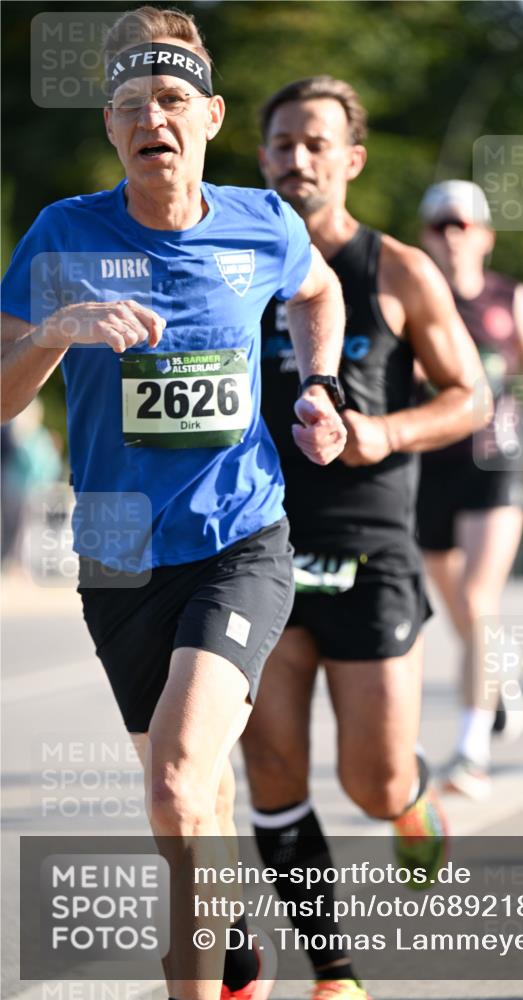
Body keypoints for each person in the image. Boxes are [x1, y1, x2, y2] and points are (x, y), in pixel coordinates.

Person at [0, 9, 347, 1000]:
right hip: (117, 556)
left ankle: (193, 978)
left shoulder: (262, 222)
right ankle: (231, 944)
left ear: (210, 116)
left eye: (170, 99)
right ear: (110, 127)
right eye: (130, 104)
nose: (151, 117)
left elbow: (317, 292)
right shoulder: (63, 234)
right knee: (186, 800)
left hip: (240, 539)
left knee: (175, 781)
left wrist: (321, 385)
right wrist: (59, 329)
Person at [240, 78, 490, 1000]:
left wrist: (384, 432)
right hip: (254, 544)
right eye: (281, 144)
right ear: (261, 157)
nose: (296, 159)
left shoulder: (397, 270)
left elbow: (470, 396)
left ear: (350, 159)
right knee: (271, 769)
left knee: (371, 779)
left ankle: (410, 800)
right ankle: (333, 972)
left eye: (316, 143)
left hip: (367, 549)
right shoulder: (233, 264)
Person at [417, 180, 523, 799]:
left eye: (463, 224)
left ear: (485, 235)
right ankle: (495, 675)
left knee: (479, 599)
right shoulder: (416, 293)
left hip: (494, 461)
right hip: (430, 463)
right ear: (426, 237)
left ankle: (471, 751)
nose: (452, 236)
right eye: (440, 225)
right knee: (457, 605)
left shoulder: (510, 295)